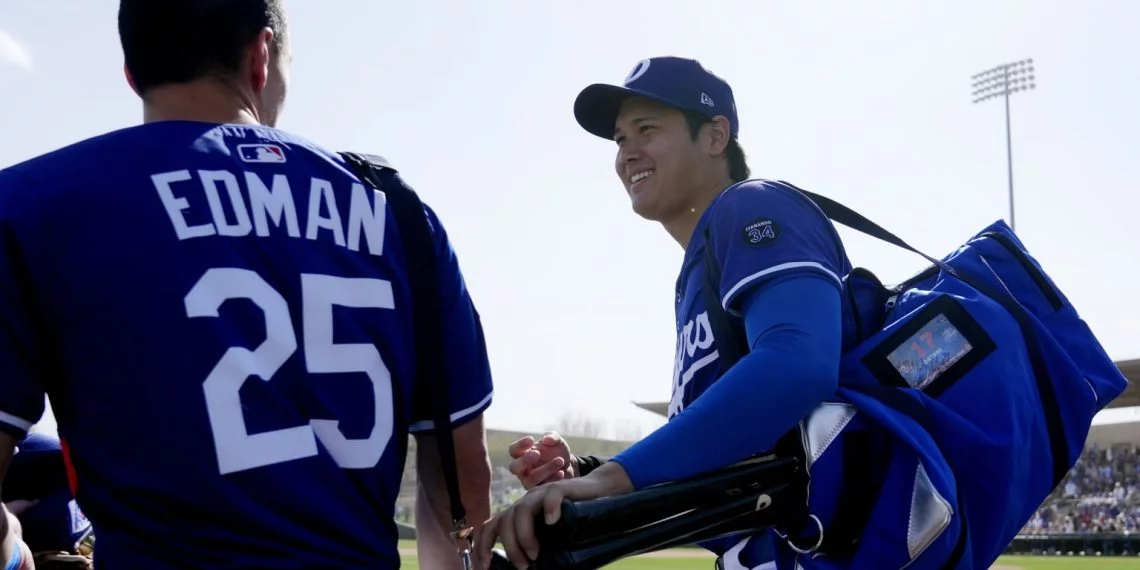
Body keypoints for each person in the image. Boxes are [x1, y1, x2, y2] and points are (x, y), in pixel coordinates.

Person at [0, 1, 494, 568]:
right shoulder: (398, 213)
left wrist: (16, 552)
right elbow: (459, 492)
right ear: (261, 57)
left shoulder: (32, 206)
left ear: (133, 74)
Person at [476, 56, 852, 570]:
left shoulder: (751, 205)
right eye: (619, 139)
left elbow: (797, 365)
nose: (627, 152)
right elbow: (735, 452)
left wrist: (611, 479)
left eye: (646, 129)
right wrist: (588, 472)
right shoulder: (700, 267)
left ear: (715, 136)